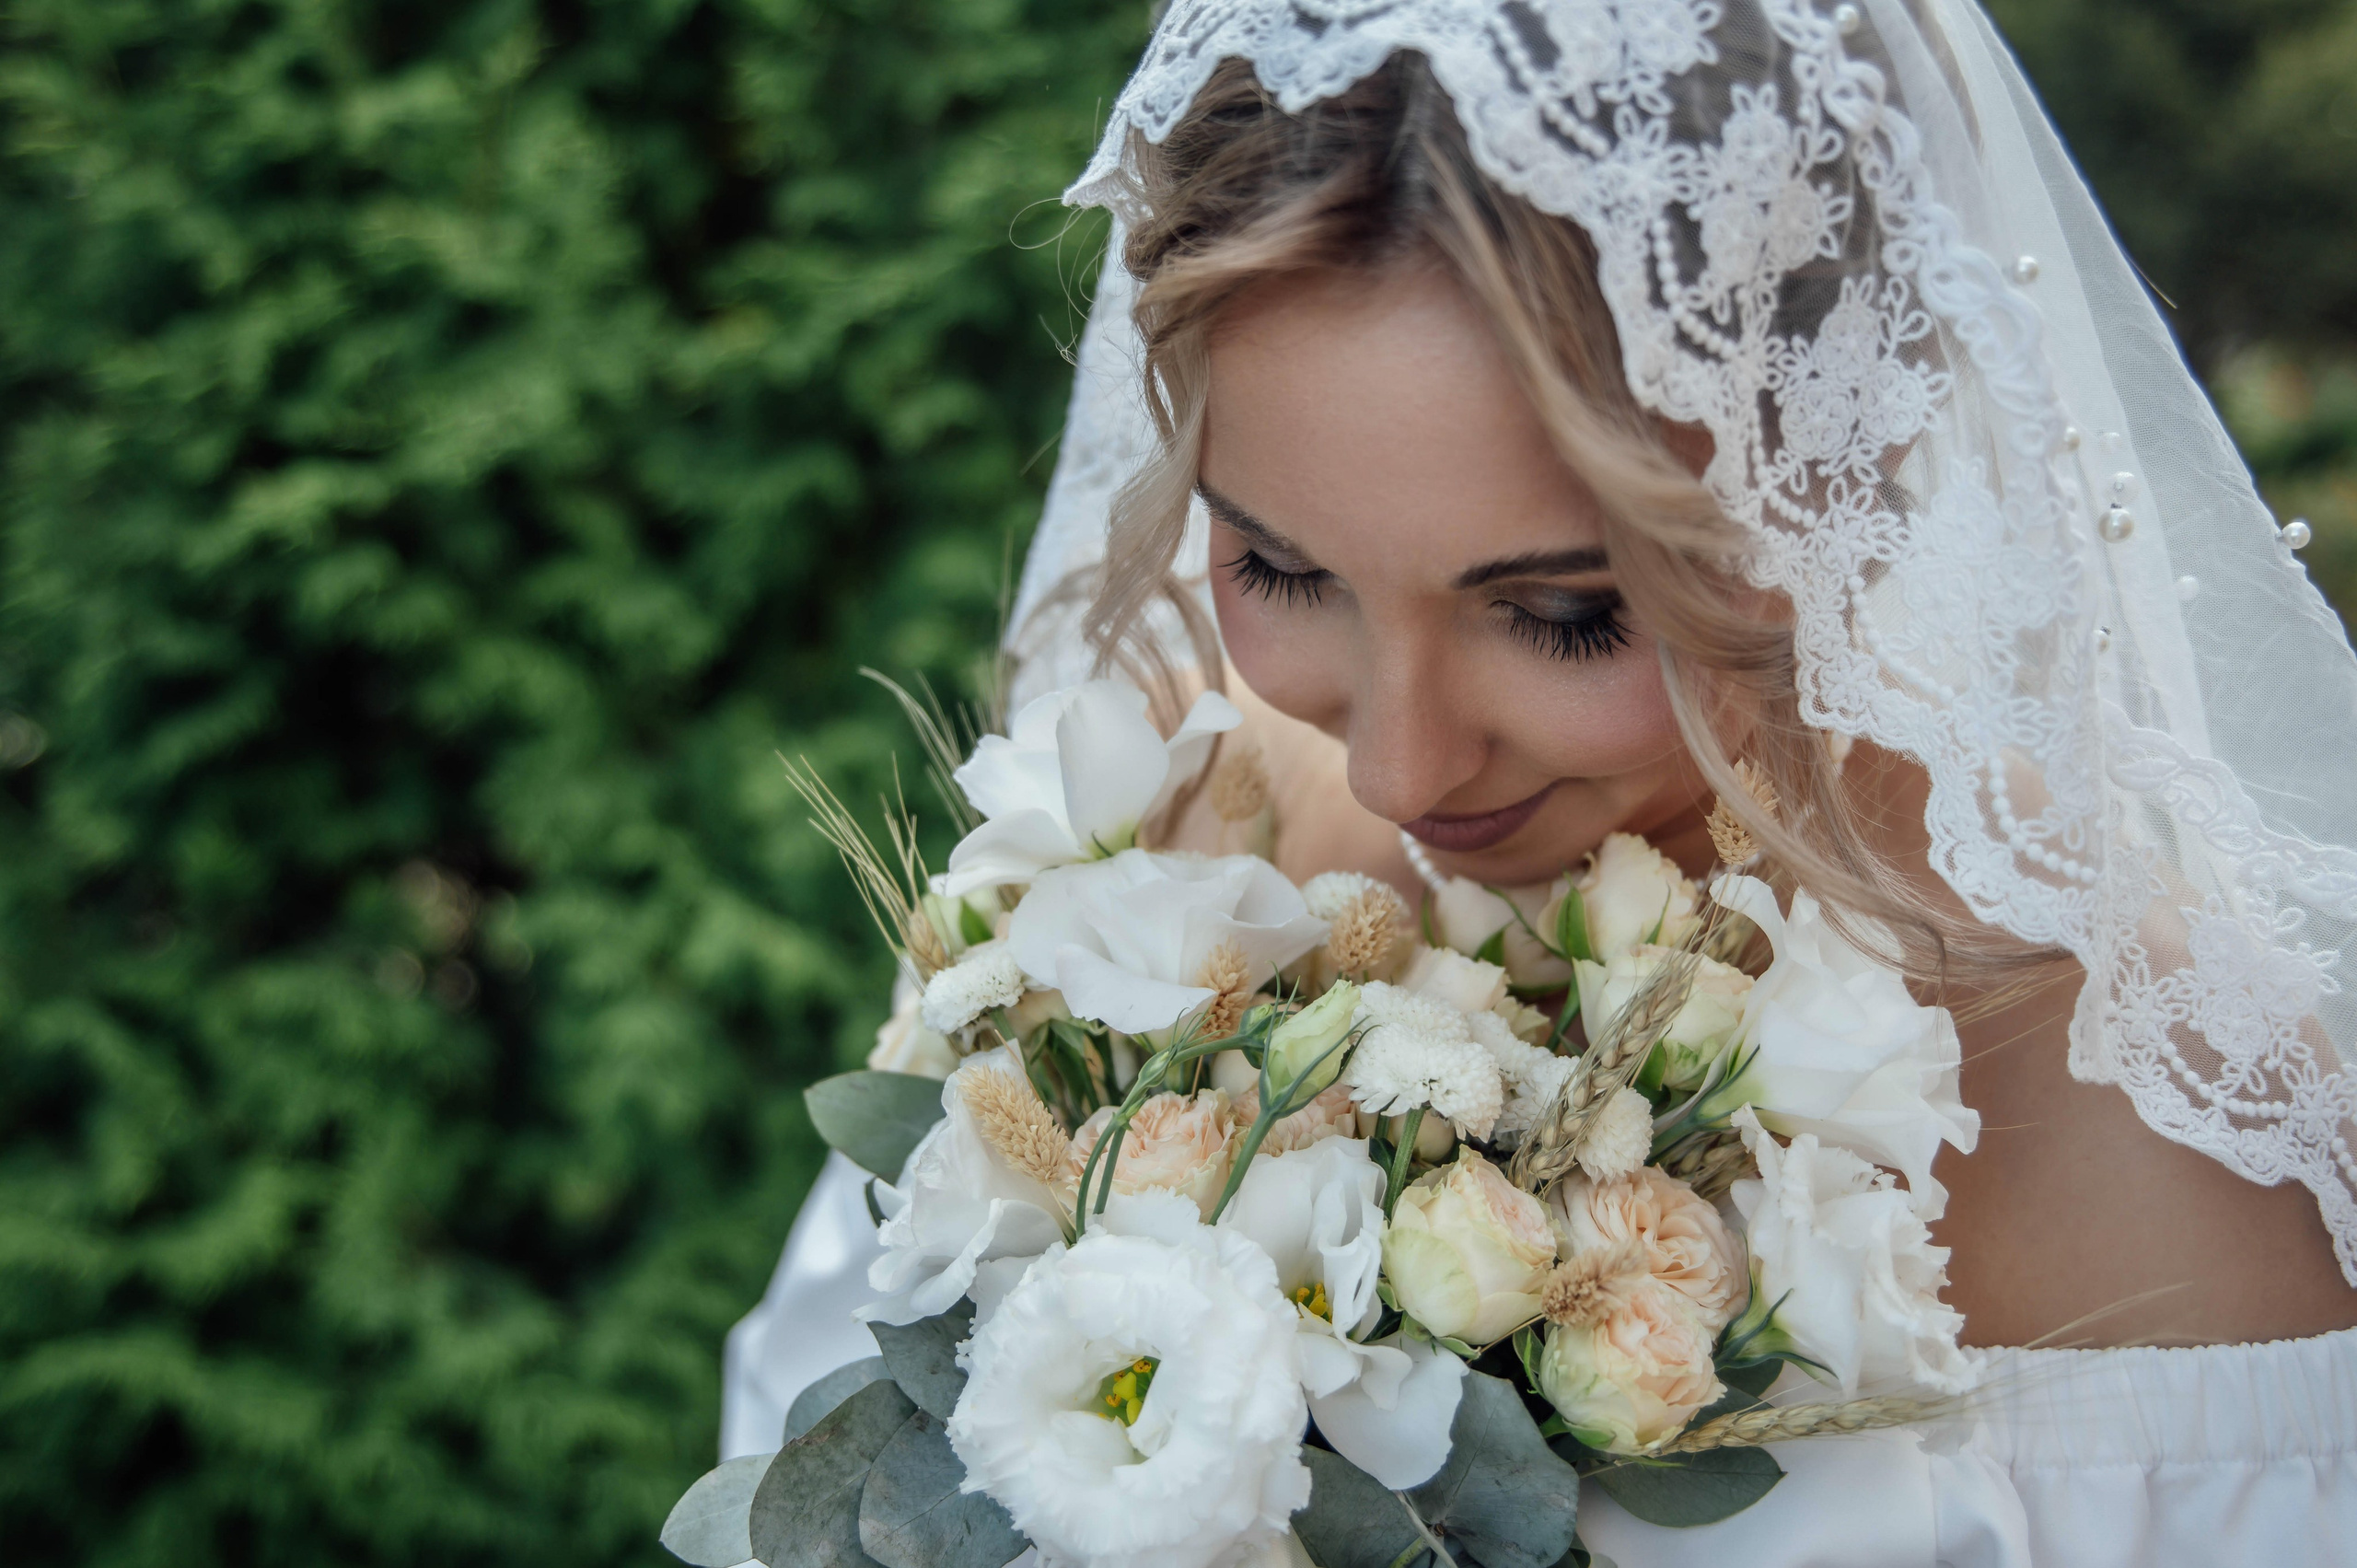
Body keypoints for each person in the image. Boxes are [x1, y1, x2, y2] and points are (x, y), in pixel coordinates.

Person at [728, 2, 2357, 1561]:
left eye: (1569, 616)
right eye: (1283, 570)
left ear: (1846, 469)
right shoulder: (1160, 895)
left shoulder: (2171, 1135)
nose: (1398, 762)